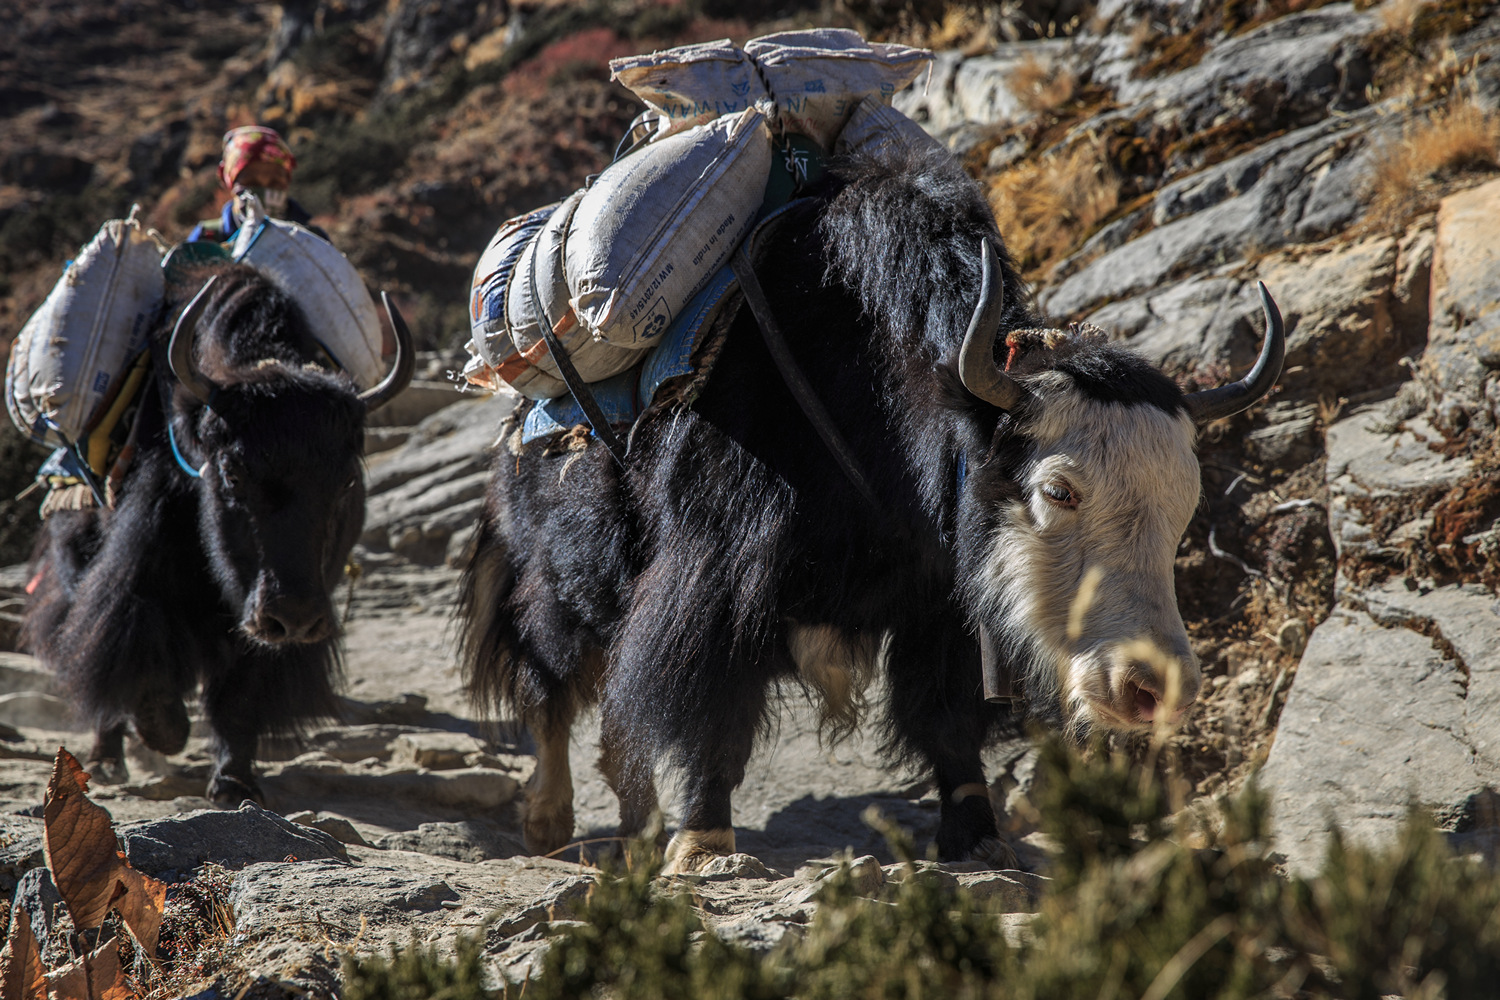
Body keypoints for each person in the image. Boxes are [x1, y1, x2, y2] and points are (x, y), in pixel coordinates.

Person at [188, 125, 326, 243]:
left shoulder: (314, 240)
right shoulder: (207, 239)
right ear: (228, 182)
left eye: (275, 183)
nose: (263, 191)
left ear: (287, 182)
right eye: (251, 183)